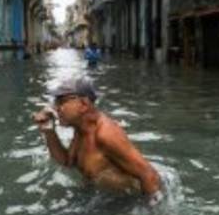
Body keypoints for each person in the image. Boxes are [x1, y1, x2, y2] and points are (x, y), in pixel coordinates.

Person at [32, 76, 162, 197]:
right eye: (55, 102)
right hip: (99, 196)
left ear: (84, 104)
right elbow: (67, 162)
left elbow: (150, 175)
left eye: (61, 102)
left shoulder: (106, 134)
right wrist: (48, 131)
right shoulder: (80, 130)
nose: (56, 108)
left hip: (126, 203)